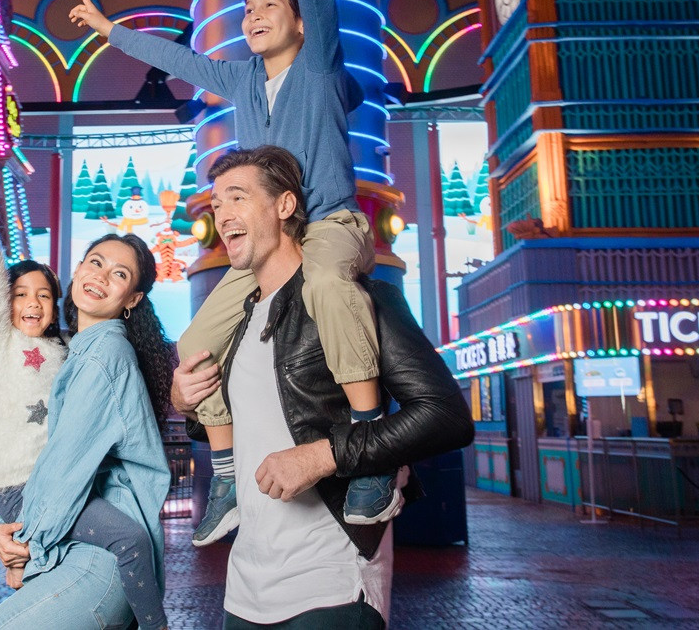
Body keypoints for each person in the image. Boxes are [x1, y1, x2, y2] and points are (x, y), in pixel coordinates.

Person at [69, 0, 393, 546]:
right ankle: (223, 471)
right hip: (267, 246)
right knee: (196, 342)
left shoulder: (319, 64)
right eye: (247, 9)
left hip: (328, 226)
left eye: (269, 6)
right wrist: (110, 31)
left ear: (301, 22)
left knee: (331, 283)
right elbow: (178, 56)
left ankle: (372, 446)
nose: (253, 16)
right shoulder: (241, 79)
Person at [172, 146, 475, 628]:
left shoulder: (361, 298)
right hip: (246, 584)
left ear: (284, 205)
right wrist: (183, 401)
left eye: (238, 197)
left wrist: (323, 456)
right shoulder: (235, 323)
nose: (222, 213)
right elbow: (252, 419)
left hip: (332, 581)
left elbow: (446, 416)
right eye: (216, 203)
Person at [0, 155, 173, 630]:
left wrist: (19, 539)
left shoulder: (80, 353)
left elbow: (70, 455)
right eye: (19, 294)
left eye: (43, 295)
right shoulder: (1, 345)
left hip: (63, 517)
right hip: (33, 497)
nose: (32, 303)